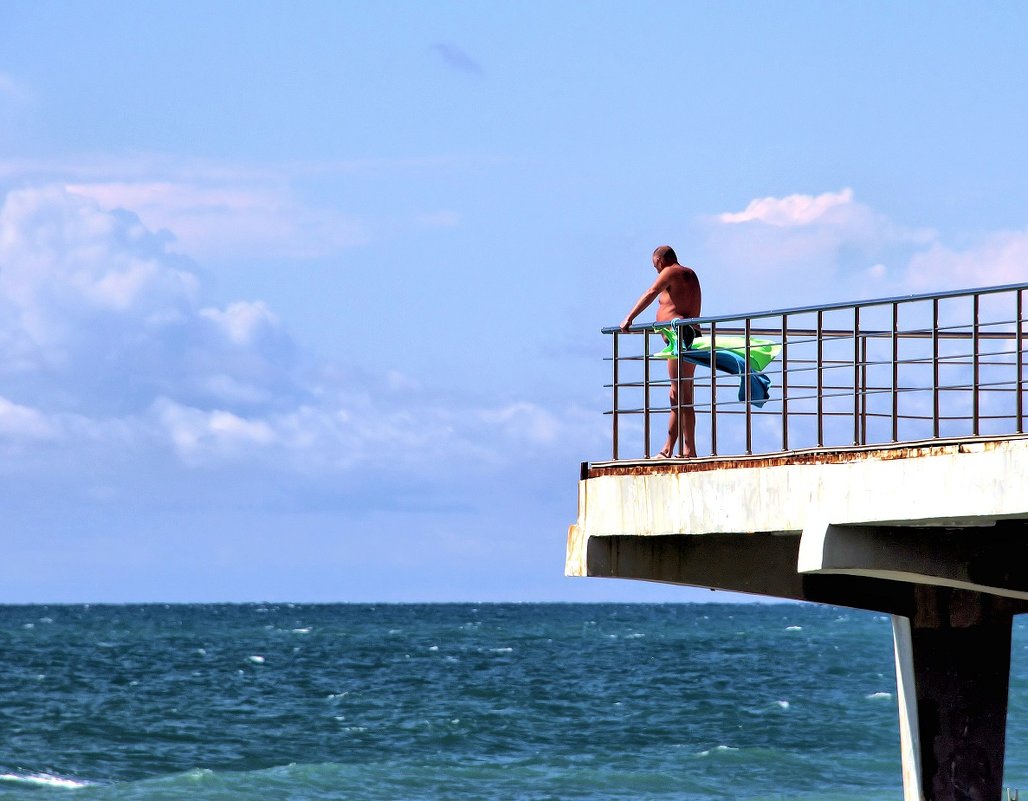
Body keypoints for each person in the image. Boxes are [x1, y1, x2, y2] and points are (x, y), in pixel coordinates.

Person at [620, 245, 702, 458]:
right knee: (680, 393)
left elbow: (651, 293)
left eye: (655, 266)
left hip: (680, 336)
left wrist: (629, 318)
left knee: (679, 393)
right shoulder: (689, 273)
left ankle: (685, 449)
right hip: (688, 335)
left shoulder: (670, 271)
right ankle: (672, 448)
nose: (656, 271)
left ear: (659, 261)